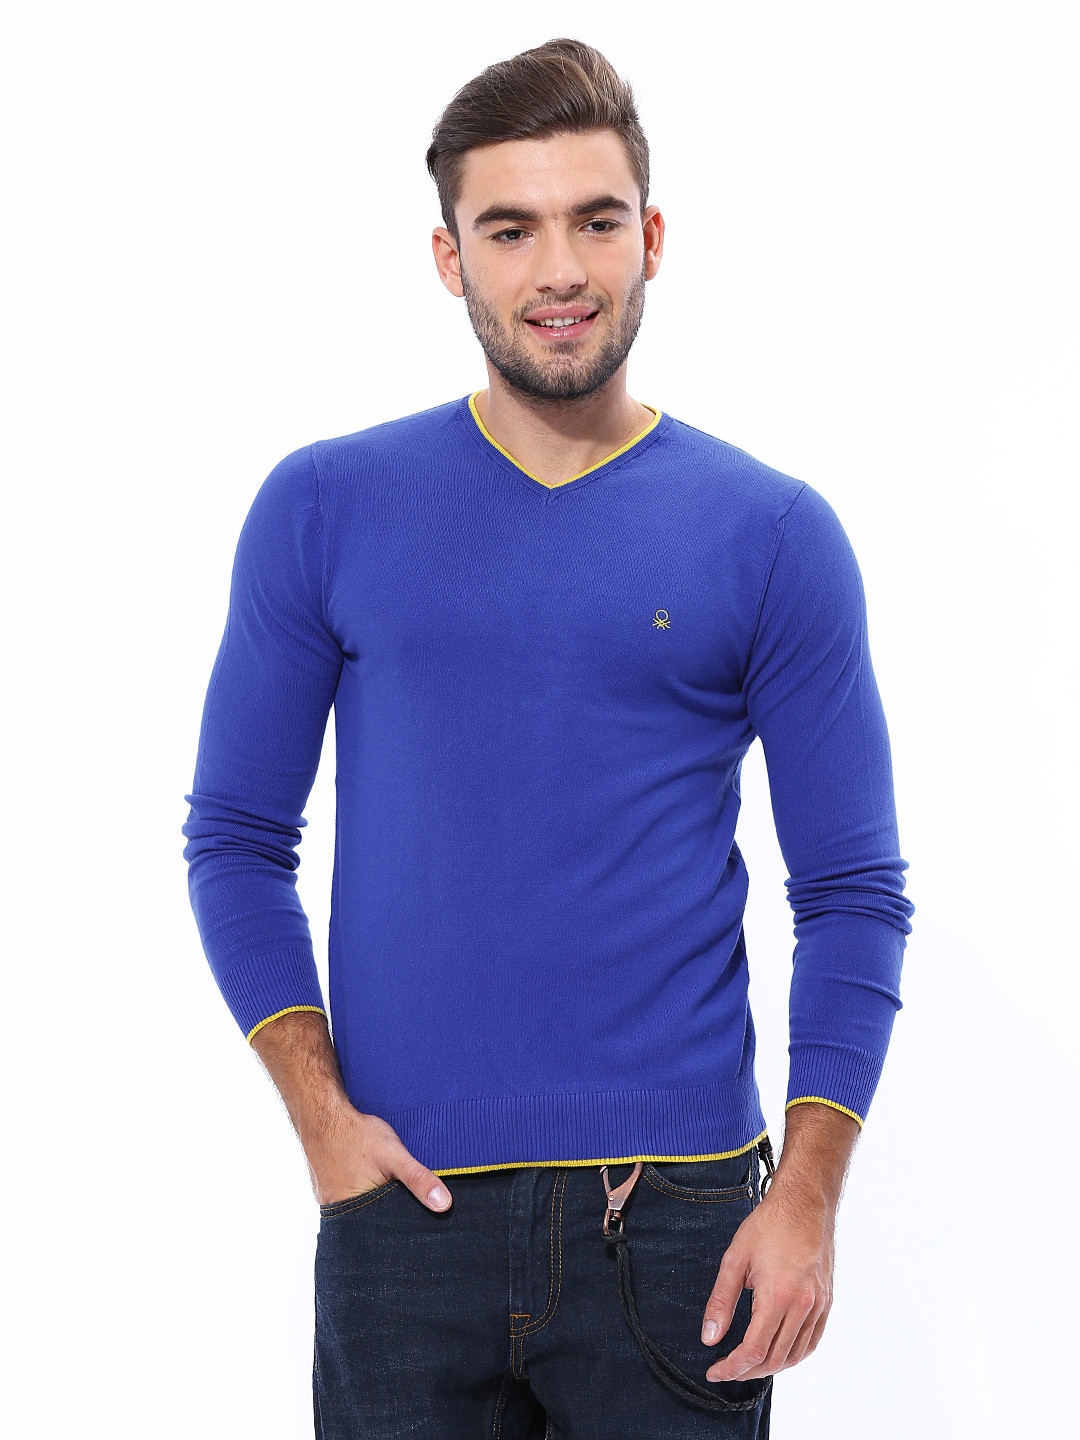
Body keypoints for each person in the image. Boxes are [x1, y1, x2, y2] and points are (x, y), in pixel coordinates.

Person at [182, 36, 914, 1440]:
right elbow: (233, 840)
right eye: (511, 229)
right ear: (450, 257)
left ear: (652, 239)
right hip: (401, 1210)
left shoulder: (772, 534)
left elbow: (853, 893)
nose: (560, 271)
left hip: (682, 1216)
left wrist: (808, 1197)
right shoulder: (325, 507)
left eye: (595, 221)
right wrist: (323, 1126)